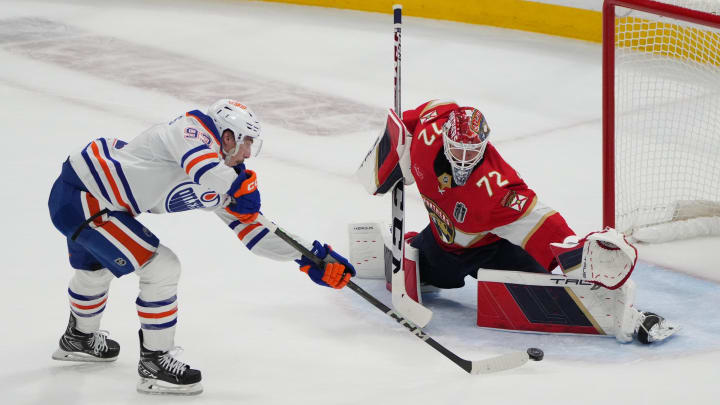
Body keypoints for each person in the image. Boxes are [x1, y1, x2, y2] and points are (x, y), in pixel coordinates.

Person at [48, 99, 355, 395]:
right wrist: (236, 187)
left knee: (95, 272)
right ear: (226, 135)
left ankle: (78, 339)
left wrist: (311, 256)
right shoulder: (189, 130)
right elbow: (200, 165)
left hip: (96, 200)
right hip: (84, 196)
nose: (248, 151)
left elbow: (255, 230)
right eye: (246, 141)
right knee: (162, 267)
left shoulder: (221, 176)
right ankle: (154, 363)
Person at [356, 99, 676, 345]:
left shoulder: (496, 190)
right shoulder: (426, 137)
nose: (464, 159)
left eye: (473, 152)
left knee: (553, 297)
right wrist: (390, 154)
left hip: (499, 248)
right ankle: (418, 247)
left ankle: (632, 318)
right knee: (425, 270)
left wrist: (577, 252)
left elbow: (542, 223)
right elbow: (413, 119)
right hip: (446, 247)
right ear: (444, 137)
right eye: (457, 149)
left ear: (484, 145)